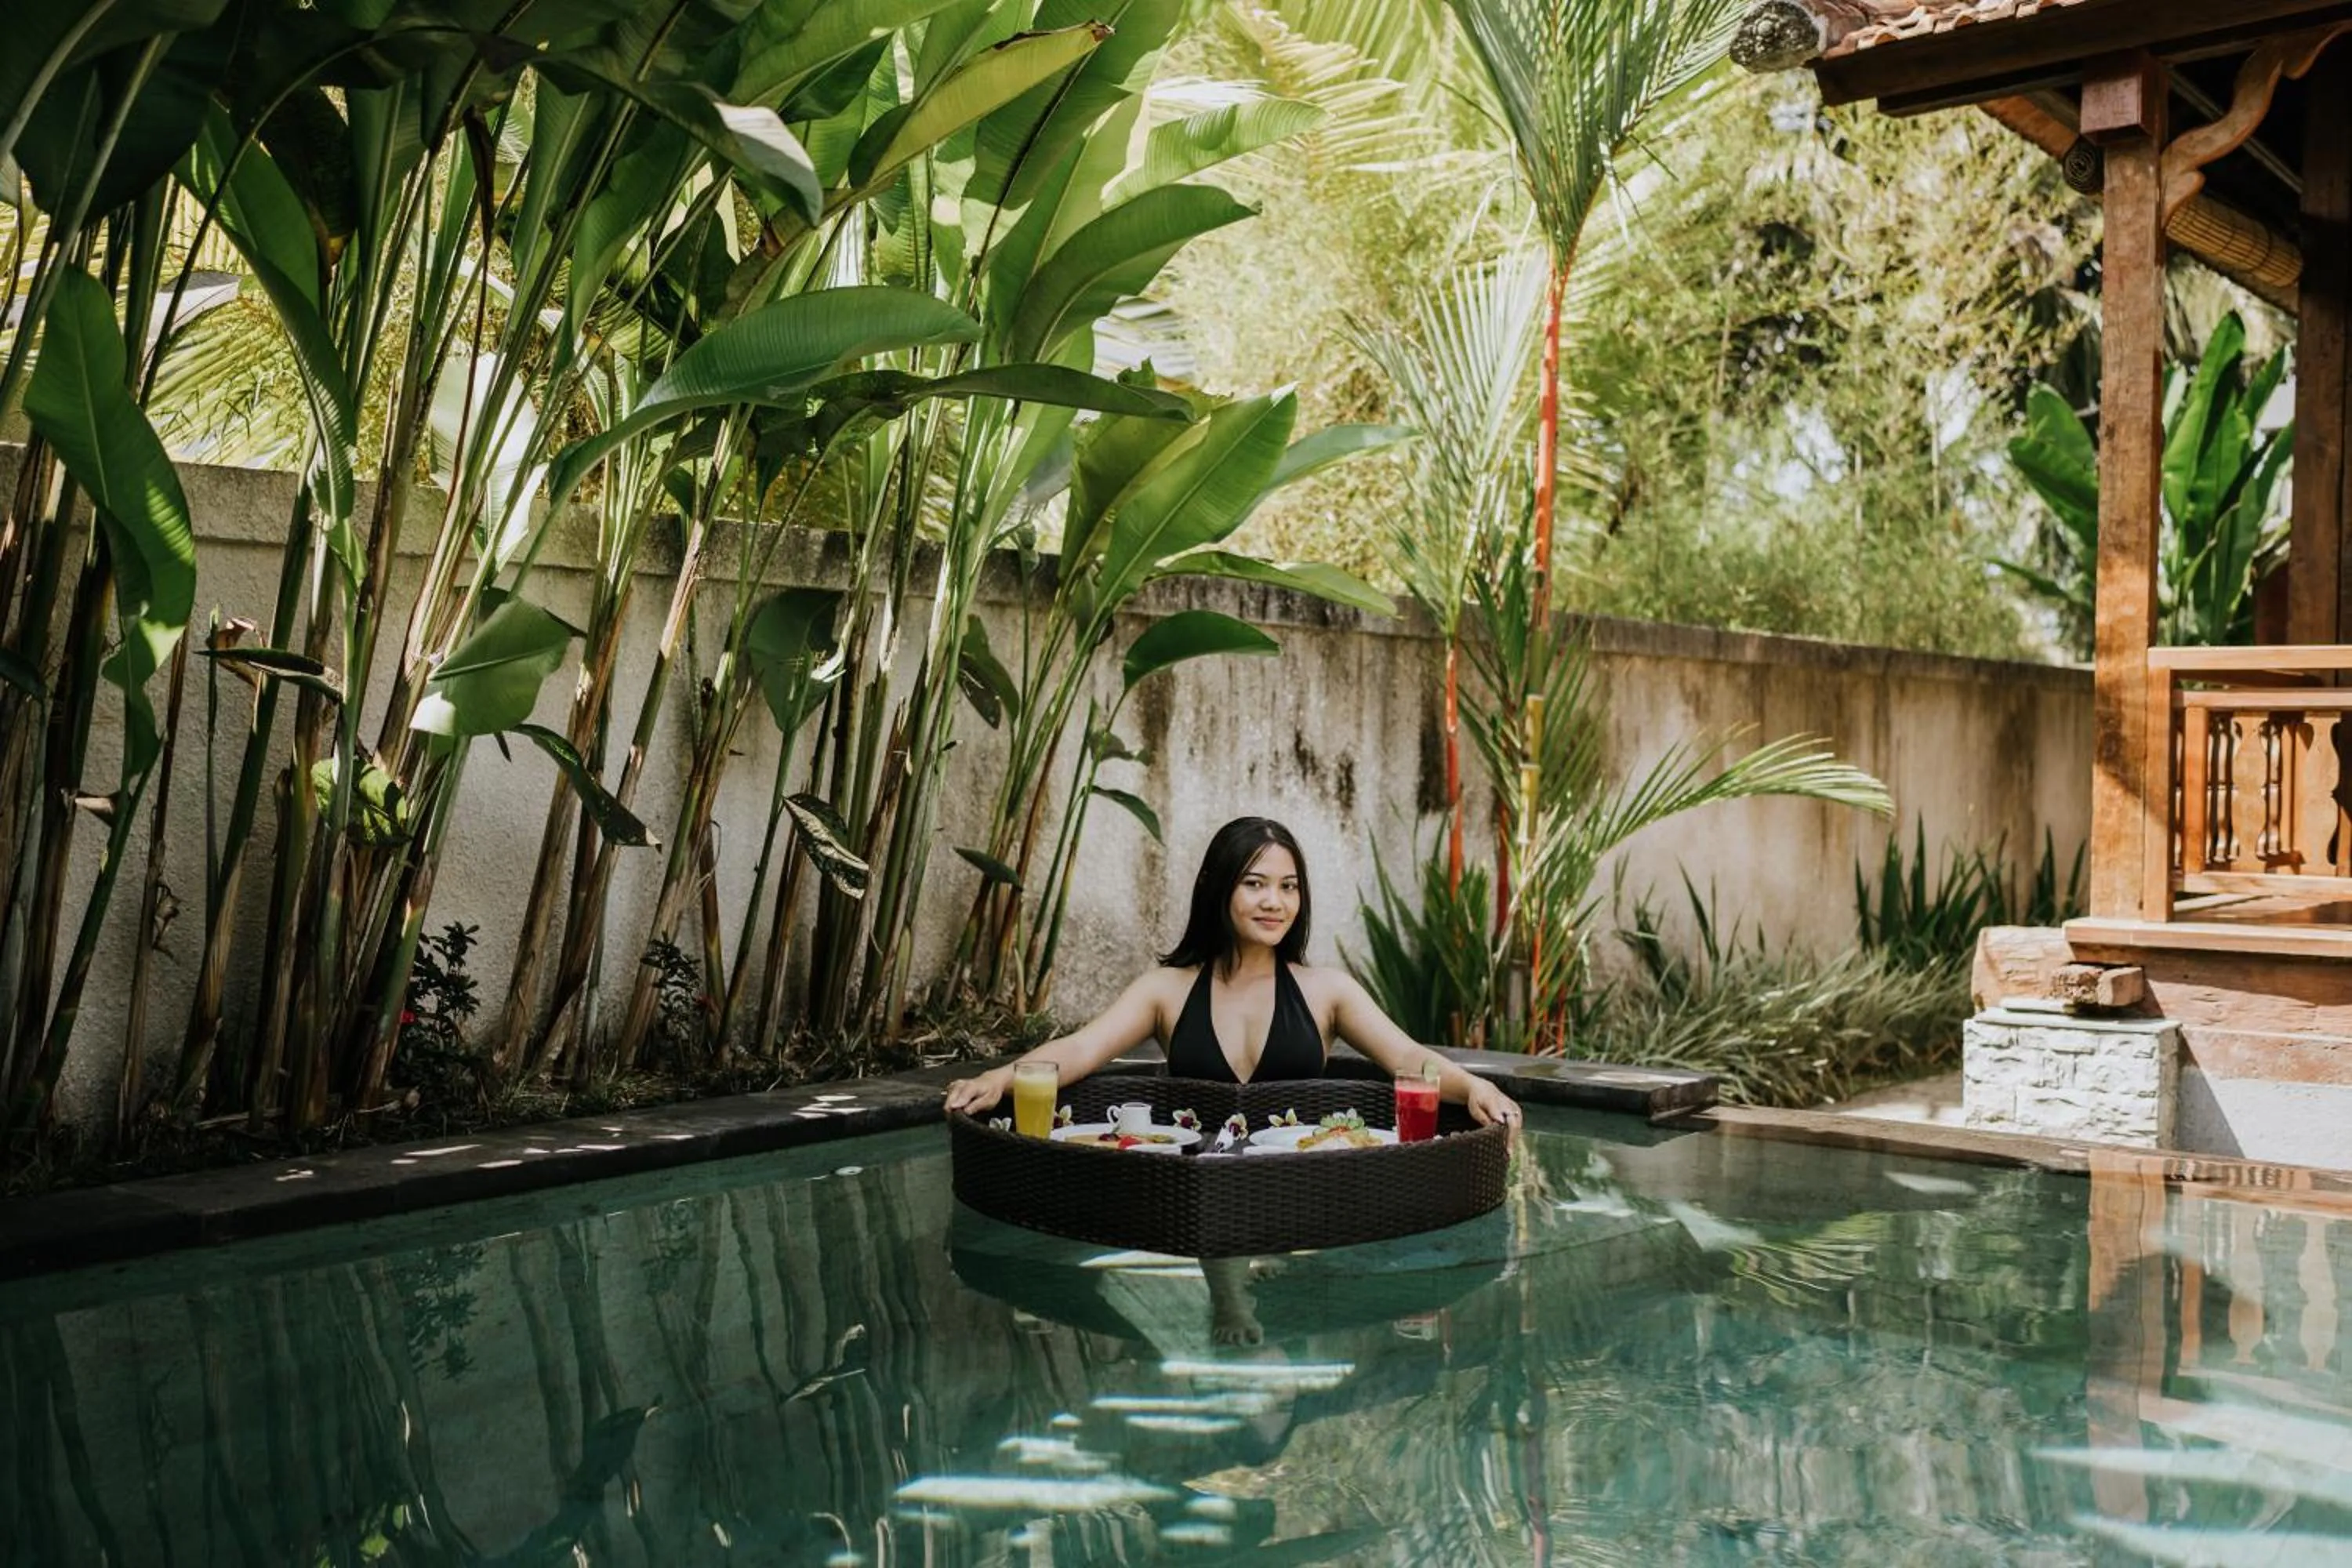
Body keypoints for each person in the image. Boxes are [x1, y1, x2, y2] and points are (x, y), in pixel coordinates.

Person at [943, 816, 1522, 1127]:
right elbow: (1081, 1049)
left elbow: (1408, 1059)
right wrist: (1001, 1079)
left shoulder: (1328, 991)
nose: (1275, 902)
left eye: (1288, 888)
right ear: (1219, 890)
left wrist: (1476, 1086)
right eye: (1255, 883)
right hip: (1190, 1185)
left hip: (1298, 1184)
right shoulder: (1165, 991)